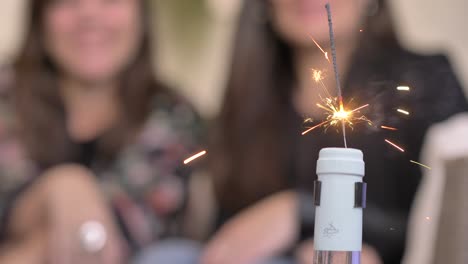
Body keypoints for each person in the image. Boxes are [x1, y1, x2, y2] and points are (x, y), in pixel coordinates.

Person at [201, 0, 468, 263]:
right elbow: (229, 237)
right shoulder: (248, 103)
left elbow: (444, 218)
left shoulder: (423, 82)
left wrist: (302, 213)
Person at [0, 0, 202, 263]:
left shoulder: (175, 120)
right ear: (40, 16)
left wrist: (71, 194)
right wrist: (58, 188)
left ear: (141, 14)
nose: (89, 14)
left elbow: (115, 236)